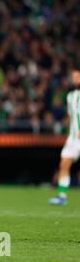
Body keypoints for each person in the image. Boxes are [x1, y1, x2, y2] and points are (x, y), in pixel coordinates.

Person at [50, 68, 80, 206]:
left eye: (77, 76)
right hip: (73, 138)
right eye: (73, 76)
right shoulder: (70, 96)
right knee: (64, 164)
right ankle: (62, 197)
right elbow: (71, 116)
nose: (74, 79)